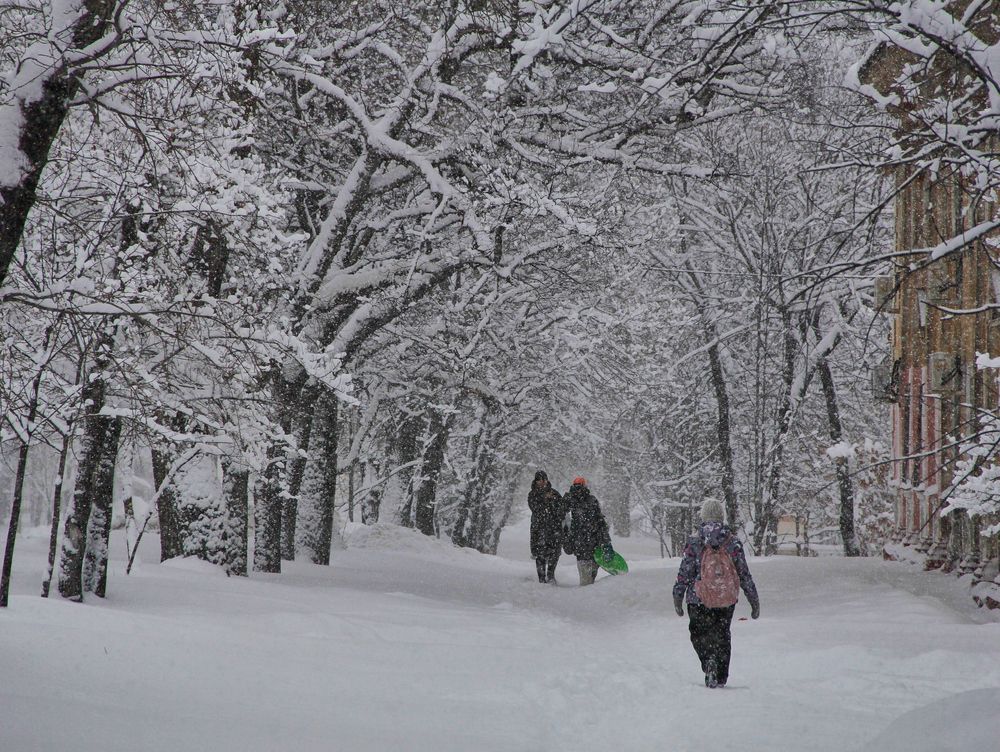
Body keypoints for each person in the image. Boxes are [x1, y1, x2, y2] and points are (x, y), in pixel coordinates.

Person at [672, 498, 760, 688]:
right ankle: (720, 675)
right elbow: (744, 573)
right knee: (722, 634)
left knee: (699, 633)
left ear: (703, 516)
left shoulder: (695, 542)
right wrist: (754, 600)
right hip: (725, 598)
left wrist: (678, 596)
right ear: (722, 516)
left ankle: (708, 662)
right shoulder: (733, 542)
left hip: (698, 598)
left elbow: (684, 572)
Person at [562, 477, 612, 586]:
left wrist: (606, 543)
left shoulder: (581, 500)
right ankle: (586, 596)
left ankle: (587, 594)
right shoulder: (573, 500)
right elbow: (600, 522)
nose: (578, 489)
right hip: (586, 543)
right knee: (588, 580)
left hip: (587, 543)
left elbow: (600, 522)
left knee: (588, 579)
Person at [528, 470, 564, 583]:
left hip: (554, 528)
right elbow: (535, 508)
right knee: (540, 553)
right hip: (538, 529)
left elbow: (561, 509)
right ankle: (541, 578)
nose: (542, 482)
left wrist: (552, 501)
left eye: (544, 479)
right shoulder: (532, 494)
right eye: (540, 480)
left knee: (555, 552)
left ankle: (551, 576)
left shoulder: (554, 493)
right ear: (536, 481)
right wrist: (544, 499)